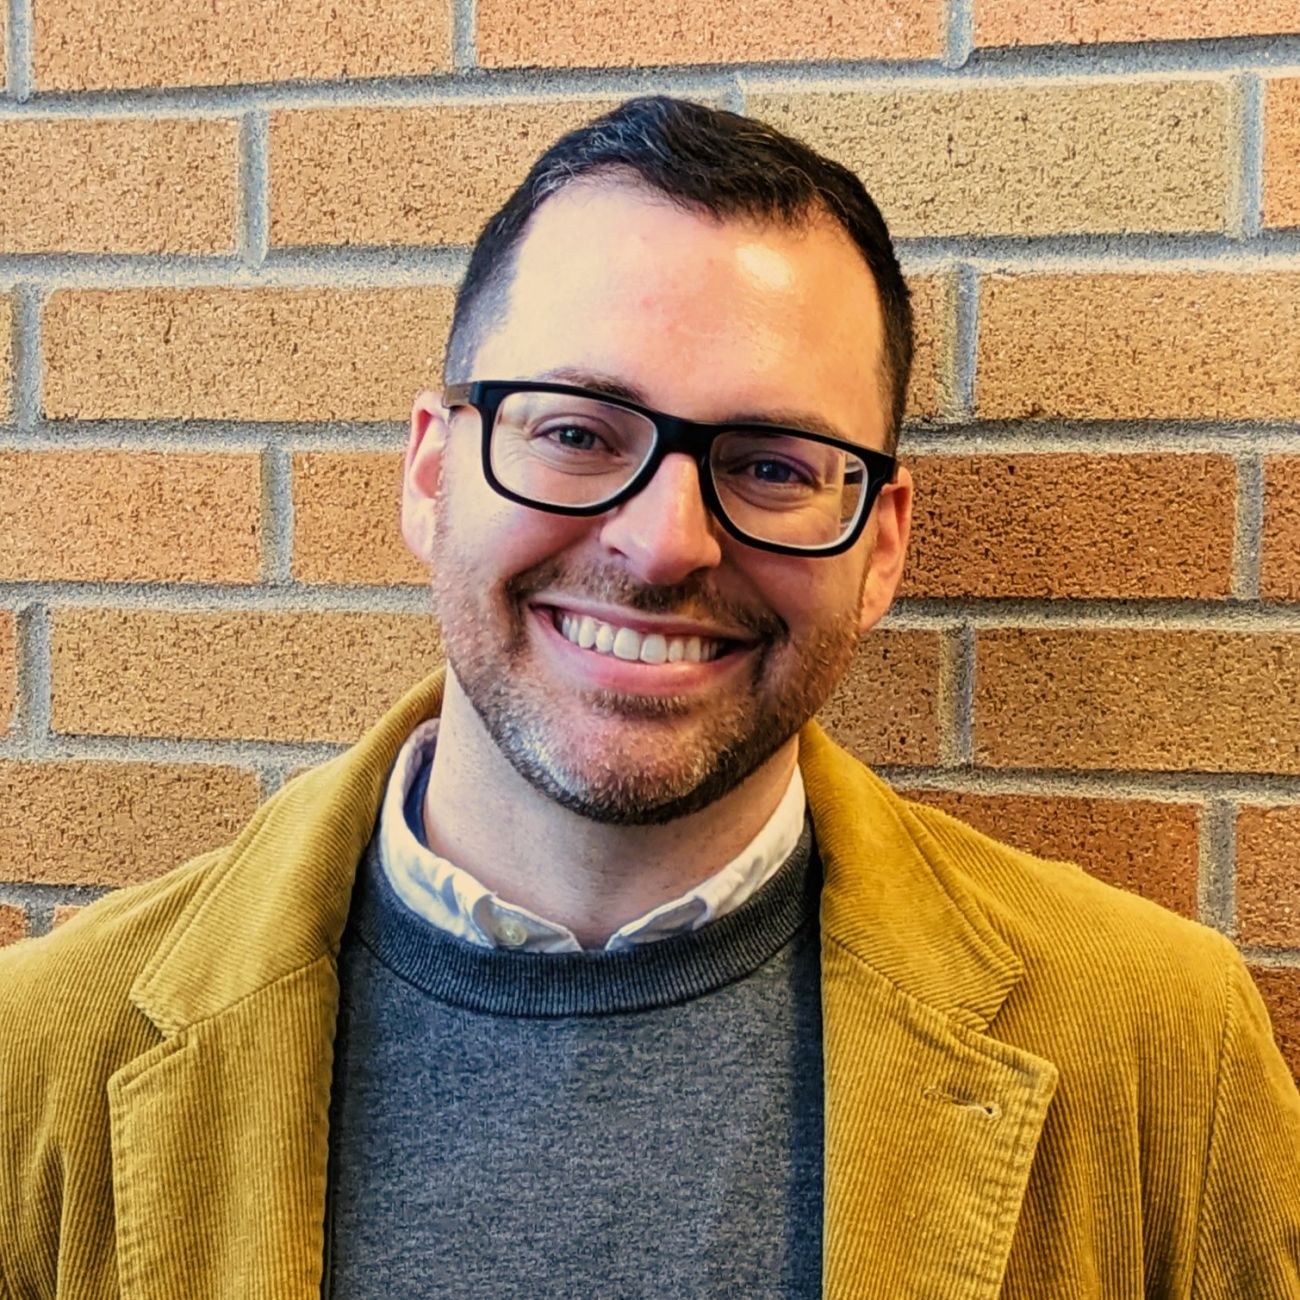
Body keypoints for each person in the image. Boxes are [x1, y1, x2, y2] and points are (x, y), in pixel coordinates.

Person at [1, 95, 1297, 1299]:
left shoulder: (1158, 1047)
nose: (665, 540)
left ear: (883, 545)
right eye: (576, 431)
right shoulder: (43, 1062)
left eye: (775, 464)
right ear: (431, 472)